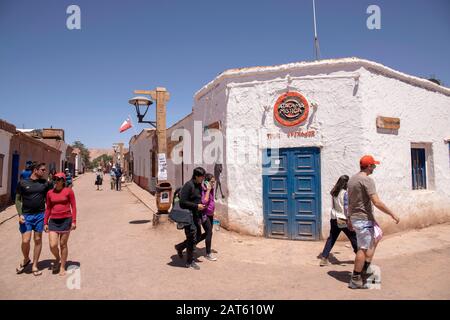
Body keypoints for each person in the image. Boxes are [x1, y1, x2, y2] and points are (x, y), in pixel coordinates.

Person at [347, 155, 400, 289]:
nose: (374, 168)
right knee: (363, 249)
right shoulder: (367, 180)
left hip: (358, 218)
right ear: (369, 166)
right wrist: (392, 213)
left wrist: (349, 218)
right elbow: (376, 201)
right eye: (374, 166)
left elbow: (350, 201)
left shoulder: (352, 179)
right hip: (363, 219)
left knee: (376, 236)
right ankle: (356, 278)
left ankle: (365, 270)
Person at [15, 162, 53, 276]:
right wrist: (20, 214)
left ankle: (35, 265)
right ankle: (26, 259)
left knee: (37, 240)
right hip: (26, 216)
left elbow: (50, 198)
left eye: (45, 170)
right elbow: (17, 200)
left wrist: (49, 216)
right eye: (42, 170)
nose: (44, 171)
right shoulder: (22, 183)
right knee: (25, 241)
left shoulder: (45, 183)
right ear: (35, 170)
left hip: (40, 215)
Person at [319, 175, 358, 266]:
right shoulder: (345, 193)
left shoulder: (334, 192)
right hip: (342, 218)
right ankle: (360, 256)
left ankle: (324, 258)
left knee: (332, 238)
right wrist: (350, 220)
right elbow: (346, 208)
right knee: (353, 237)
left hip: (334, 218)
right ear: (346, 183)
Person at [44, 172, 77, 276]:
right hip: (53, 221)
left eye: (59, 179)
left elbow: (74, 207)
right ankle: (57, 257)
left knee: (63, 244)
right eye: (55, 179)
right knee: (53, 245)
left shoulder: (69, 192)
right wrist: (45, 222)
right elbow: (48, 208)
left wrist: (74, 221)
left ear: (63, 181)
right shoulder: (50, 193)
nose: (56, 181)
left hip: (66, 220)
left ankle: (62, 266)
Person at [174, 167, 206, 270]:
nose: (203, 179)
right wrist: (196, 206)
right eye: (202, 177)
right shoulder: (189, 185)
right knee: (192, 237)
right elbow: (183, 202)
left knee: (197, 236)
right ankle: (190, 261)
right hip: (188, 216)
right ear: (196, 176)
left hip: (196, 215)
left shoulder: (198, 185)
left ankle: (180, 247)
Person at [197, 173, 217, 261]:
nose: (213, 184)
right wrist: (208, 190)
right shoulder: (204, 190)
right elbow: (204, 202)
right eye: (212, 182)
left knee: (207, 234)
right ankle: (208, 253)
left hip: (210, 215)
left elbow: (211, 202)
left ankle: (188, 244)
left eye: (214, 182)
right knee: (209, 233)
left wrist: (213, 212)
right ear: (206, 182)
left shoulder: (211, 189)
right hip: (204, 215)